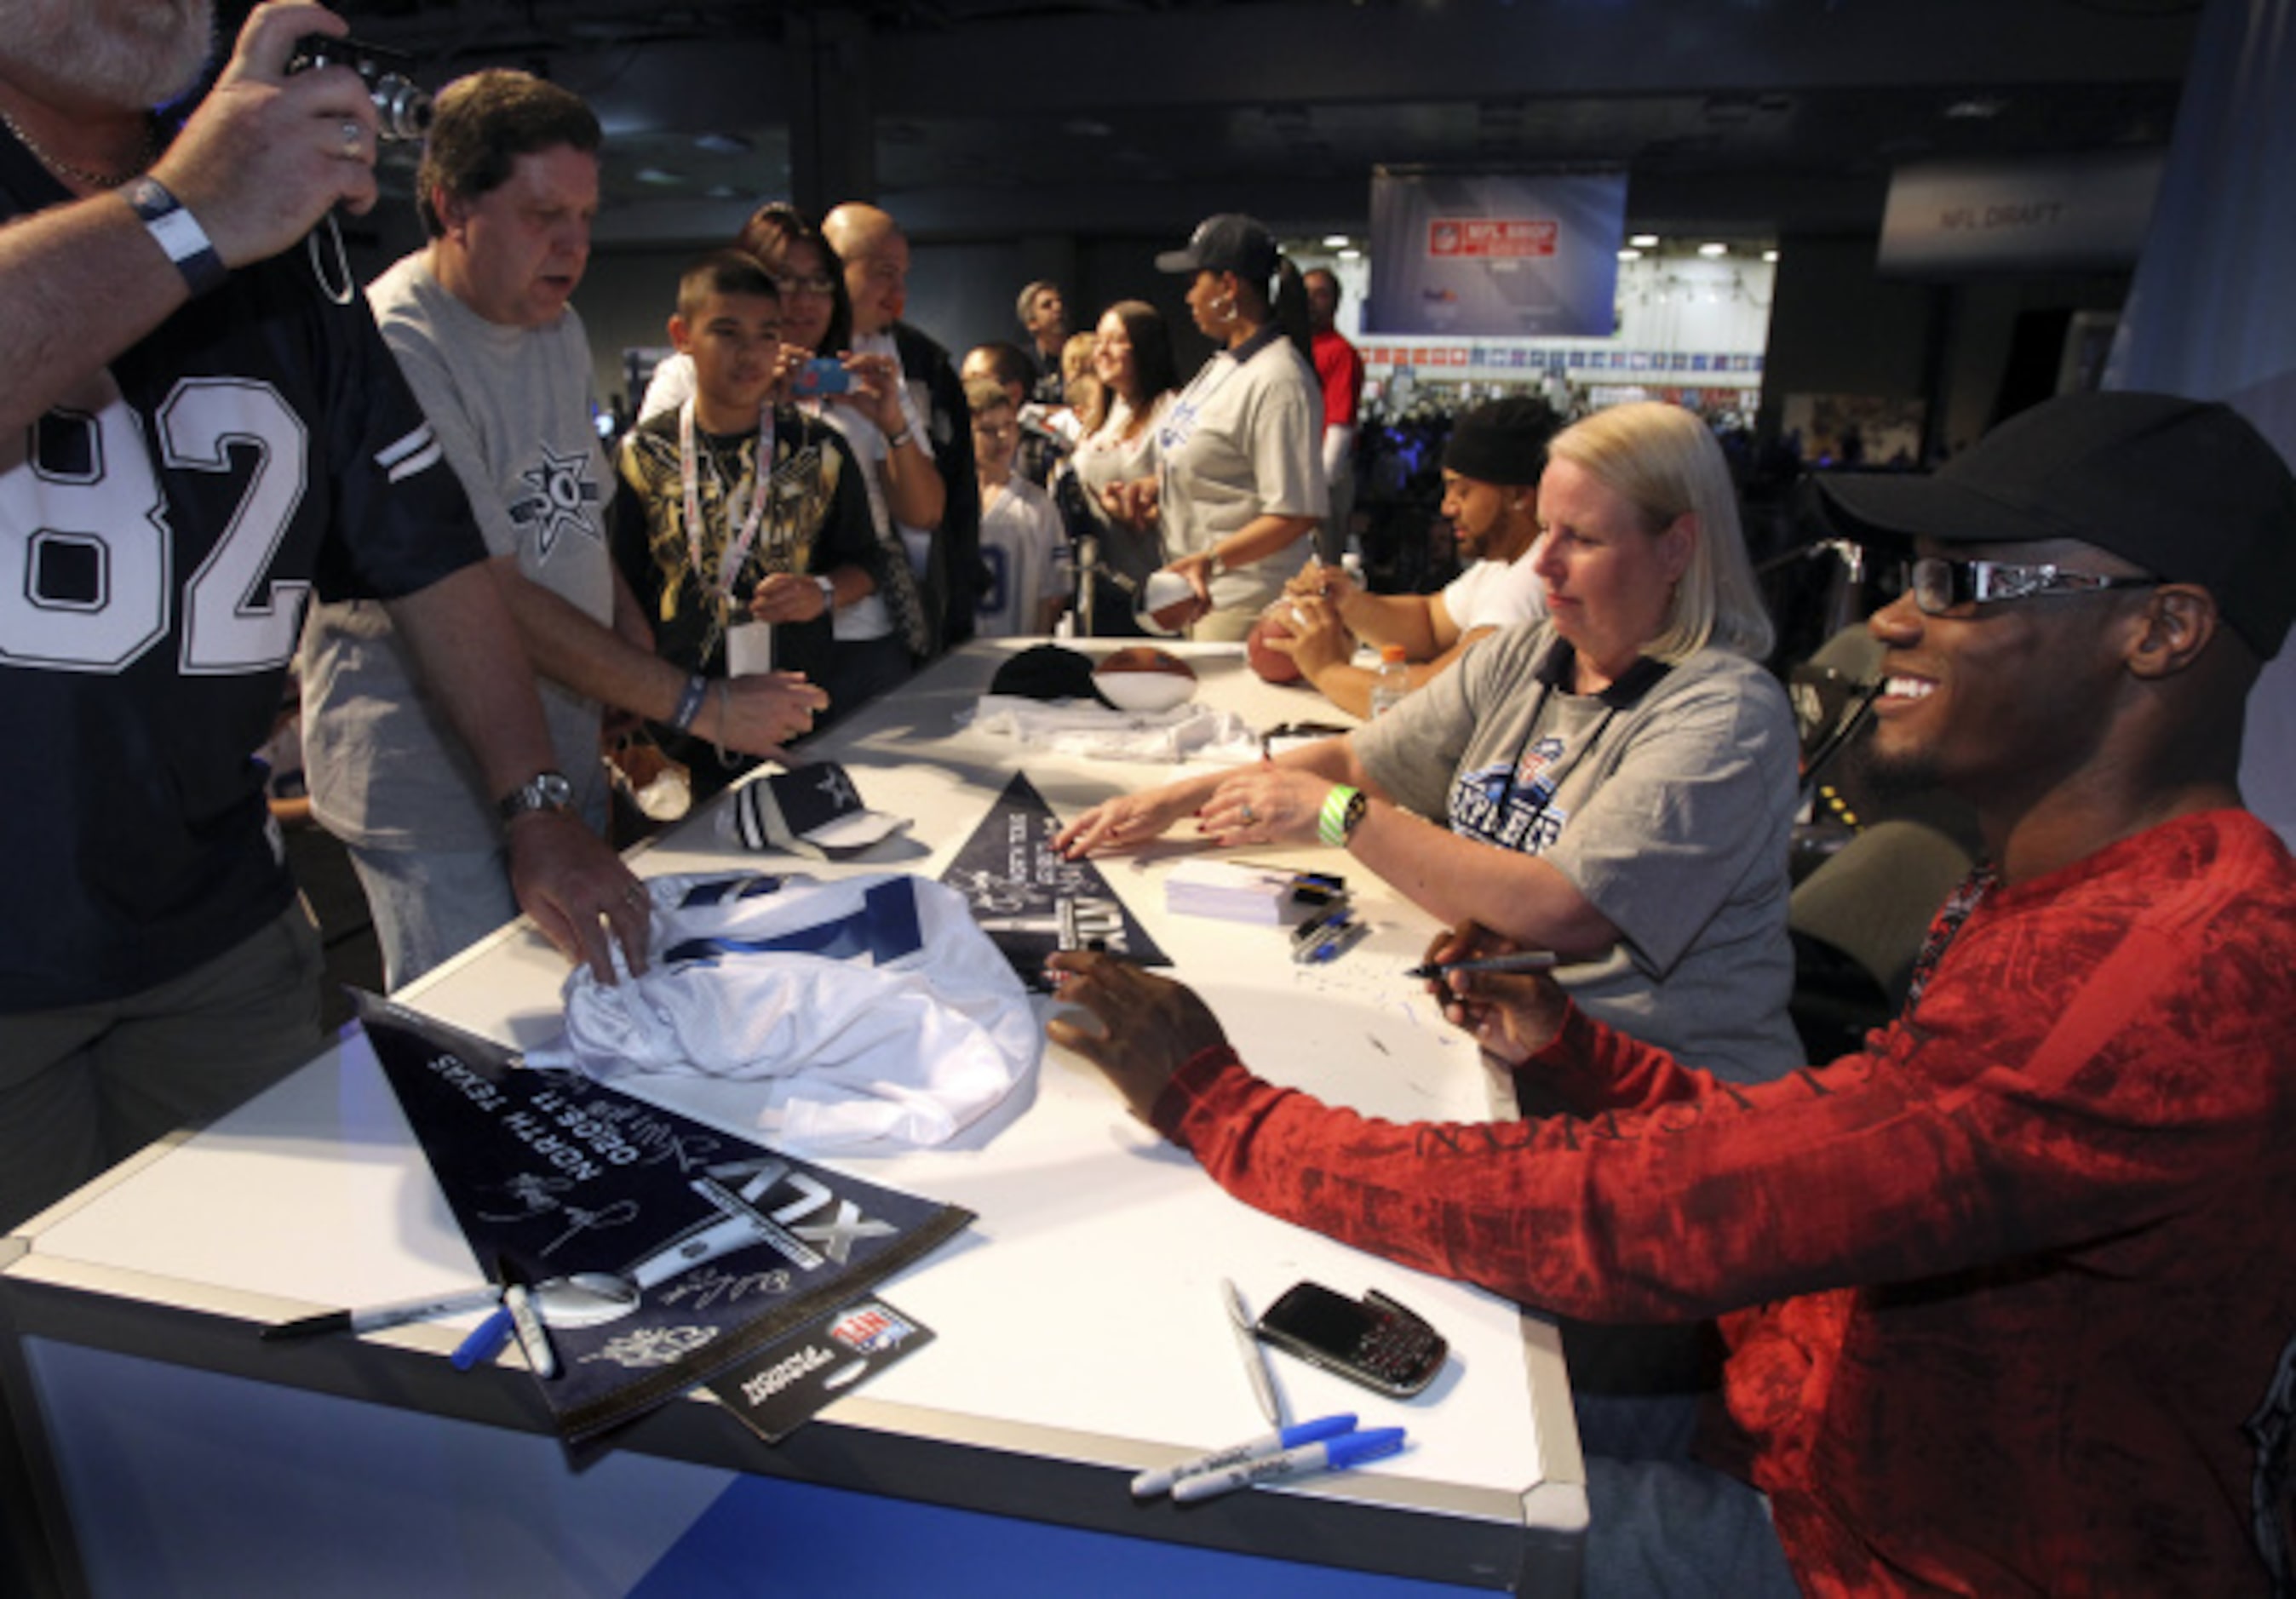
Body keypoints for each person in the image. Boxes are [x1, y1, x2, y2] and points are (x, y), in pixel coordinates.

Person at [1047, 391, 2296, 1596]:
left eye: (1962, 584)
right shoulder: (2075, 892)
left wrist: (1226, 1107)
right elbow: (1856, 1144)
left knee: (1306, 1513)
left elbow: (1646, 1214)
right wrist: (1577, 1046)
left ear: (2164, 630)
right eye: (1911, 578)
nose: (1899, 625)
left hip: (1888, 1549)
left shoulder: (2174, 973)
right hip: (1799, 1407)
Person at [0, 0, 646, 1231]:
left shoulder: (284, 232)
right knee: (43, 1385)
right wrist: (183, 216)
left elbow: (426, 545)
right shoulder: (217, 204)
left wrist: (535, 800)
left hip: (213, 925)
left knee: (263, 1318)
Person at [1063, 401, 1800, 1084]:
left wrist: (1339, 816)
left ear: (1676, 548)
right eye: (1546, 530)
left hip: (1662, 1099)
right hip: (1509, 1050)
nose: (1542, 563)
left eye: (1582, 539)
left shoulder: (1725, 716)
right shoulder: (1528, 655)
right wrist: (1177, 799)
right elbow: (1362, 757)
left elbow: (1562, 908)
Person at [300, 70, 824, 989]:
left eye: (585, 215)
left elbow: (571, 510)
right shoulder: (395, 343)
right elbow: (480, 589)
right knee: (479, 1041)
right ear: (451, 206)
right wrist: (693, 701)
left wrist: (622, 629)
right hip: (435, 783)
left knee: (591, 1010)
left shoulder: (553, 324)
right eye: (545, 215)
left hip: (560, 747)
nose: (574, 245)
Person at [610, 251, 892, 800]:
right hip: (674, 723)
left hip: (793, 715)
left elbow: (871, 561)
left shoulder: (820, 448)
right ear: (681, 335)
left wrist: (822, 590)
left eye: (767, 335)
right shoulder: (639, 455)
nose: (751, 353)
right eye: (726, 332)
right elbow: (617, 583)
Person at [1271, 396, 1556, 719]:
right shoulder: (1504, 563)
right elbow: (1430, 624)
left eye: (1461, 491)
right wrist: (1346, 601)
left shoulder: (1537, 577)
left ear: (1517, 496)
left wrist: (1326, 671)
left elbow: (1434, 702)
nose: (1447, 507)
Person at [1120, 212, 1324, 641]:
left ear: (1228, 287)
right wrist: (1158, 486)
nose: (1189, 296)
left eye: (1196, 281)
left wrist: (1210, 560)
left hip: (1245, 602)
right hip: (1199, 595)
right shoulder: (1225, 364)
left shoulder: (1278, 379)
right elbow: (1221, 459)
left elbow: (1295, 512)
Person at [823, 200, 982, 651]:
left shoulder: (918, 367)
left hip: (894, 616)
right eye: (882, 272)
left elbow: (942, 509)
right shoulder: (766, 360)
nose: (897, 290)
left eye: (902, 274)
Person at [1057, 300, 1180, 638]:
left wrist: (1142, 510)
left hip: (1157, 590)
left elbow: (1190, 495)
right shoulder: (1104, 415)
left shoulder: (1171, 411)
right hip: (1102, 588)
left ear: (1145, 347)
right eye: (1099, 341)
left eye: (1115, 340)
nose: (1102, 351)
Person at [966, 378, 1065, 638]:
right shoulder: (946, 501)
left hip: (1015, 648)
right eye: (987, 430)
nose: (1002, 437)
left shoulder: (1037, 505)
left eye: (1008, 425)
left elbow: (1052, 593)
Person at [1304, 266, 1365, 567]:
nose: (1312, 301)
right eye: (1306, 294)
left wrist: (1320, 485)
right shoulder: (1293, 349)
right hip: (1297, 470)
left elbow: (1340, 425)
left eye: (1321, 294)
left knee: (1323, 565)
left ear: (1335, 302)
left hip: (1324, 473)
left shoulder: (1340, 352)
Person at [961, 340, 1069, 488]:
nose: (967, 390)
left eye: (977, 380)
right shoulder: (957, 458)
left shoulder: (1045, 455)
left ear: (1014, 393)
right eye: (964, 382)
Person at [1014, 276, 1067, 404]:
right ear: (1032, 323)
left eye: (1059, 301)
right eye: (1047, 305)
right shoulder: (1022, 361)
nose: (1058, 307)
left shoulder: (1082, 353)